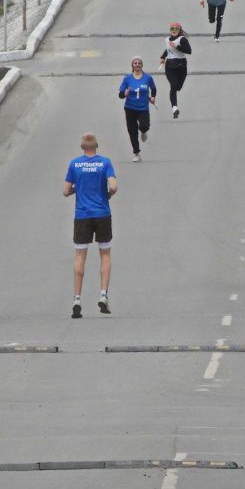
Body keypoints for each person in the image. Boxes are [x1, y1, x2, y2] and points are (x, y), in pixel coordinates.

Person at [63, 133, 118, 318]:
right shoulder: (105, 163)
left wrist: (77, 188)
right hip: (102, 213)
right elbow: (114, 186)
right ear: (97, 146)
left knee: (80, 256)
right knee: (105, 254)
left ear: (81, 147)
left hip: (82, 215)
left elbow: (65, 191)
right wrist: (107, 194)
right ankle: (103, 295)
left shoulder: (74, 164)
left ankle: (77, 299)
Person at [119, 56, 157, 162]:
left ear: (142, 65)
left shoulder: (147, 78)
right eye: (135, 63)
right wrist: (125, 93)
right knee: (132, 131)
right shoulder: (127, 79)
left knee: (144, 126)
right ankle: (136, 153)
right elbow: (121, 95)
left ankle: (144, 131)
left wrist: (153, 97)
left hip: (143, 107)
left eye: (139, 63)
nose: (137, 65)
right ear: (132, 65)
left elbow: (153, 89)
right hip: (130, 108)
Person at [160, 22, 192, 119]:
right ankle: (174, 108)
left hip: (181, 65)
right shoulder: (167, 39)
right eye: (172, 29)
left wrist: (176, 46)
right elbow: (168, 49)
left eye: (176, 29)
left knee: (178, 87)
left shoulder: (182, 39)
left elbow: (189, 51)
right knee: (173, 86)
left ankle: (175, 102)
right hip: (169, 65)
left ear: (179, 30)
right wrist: (162, 57)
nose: (174, 30)